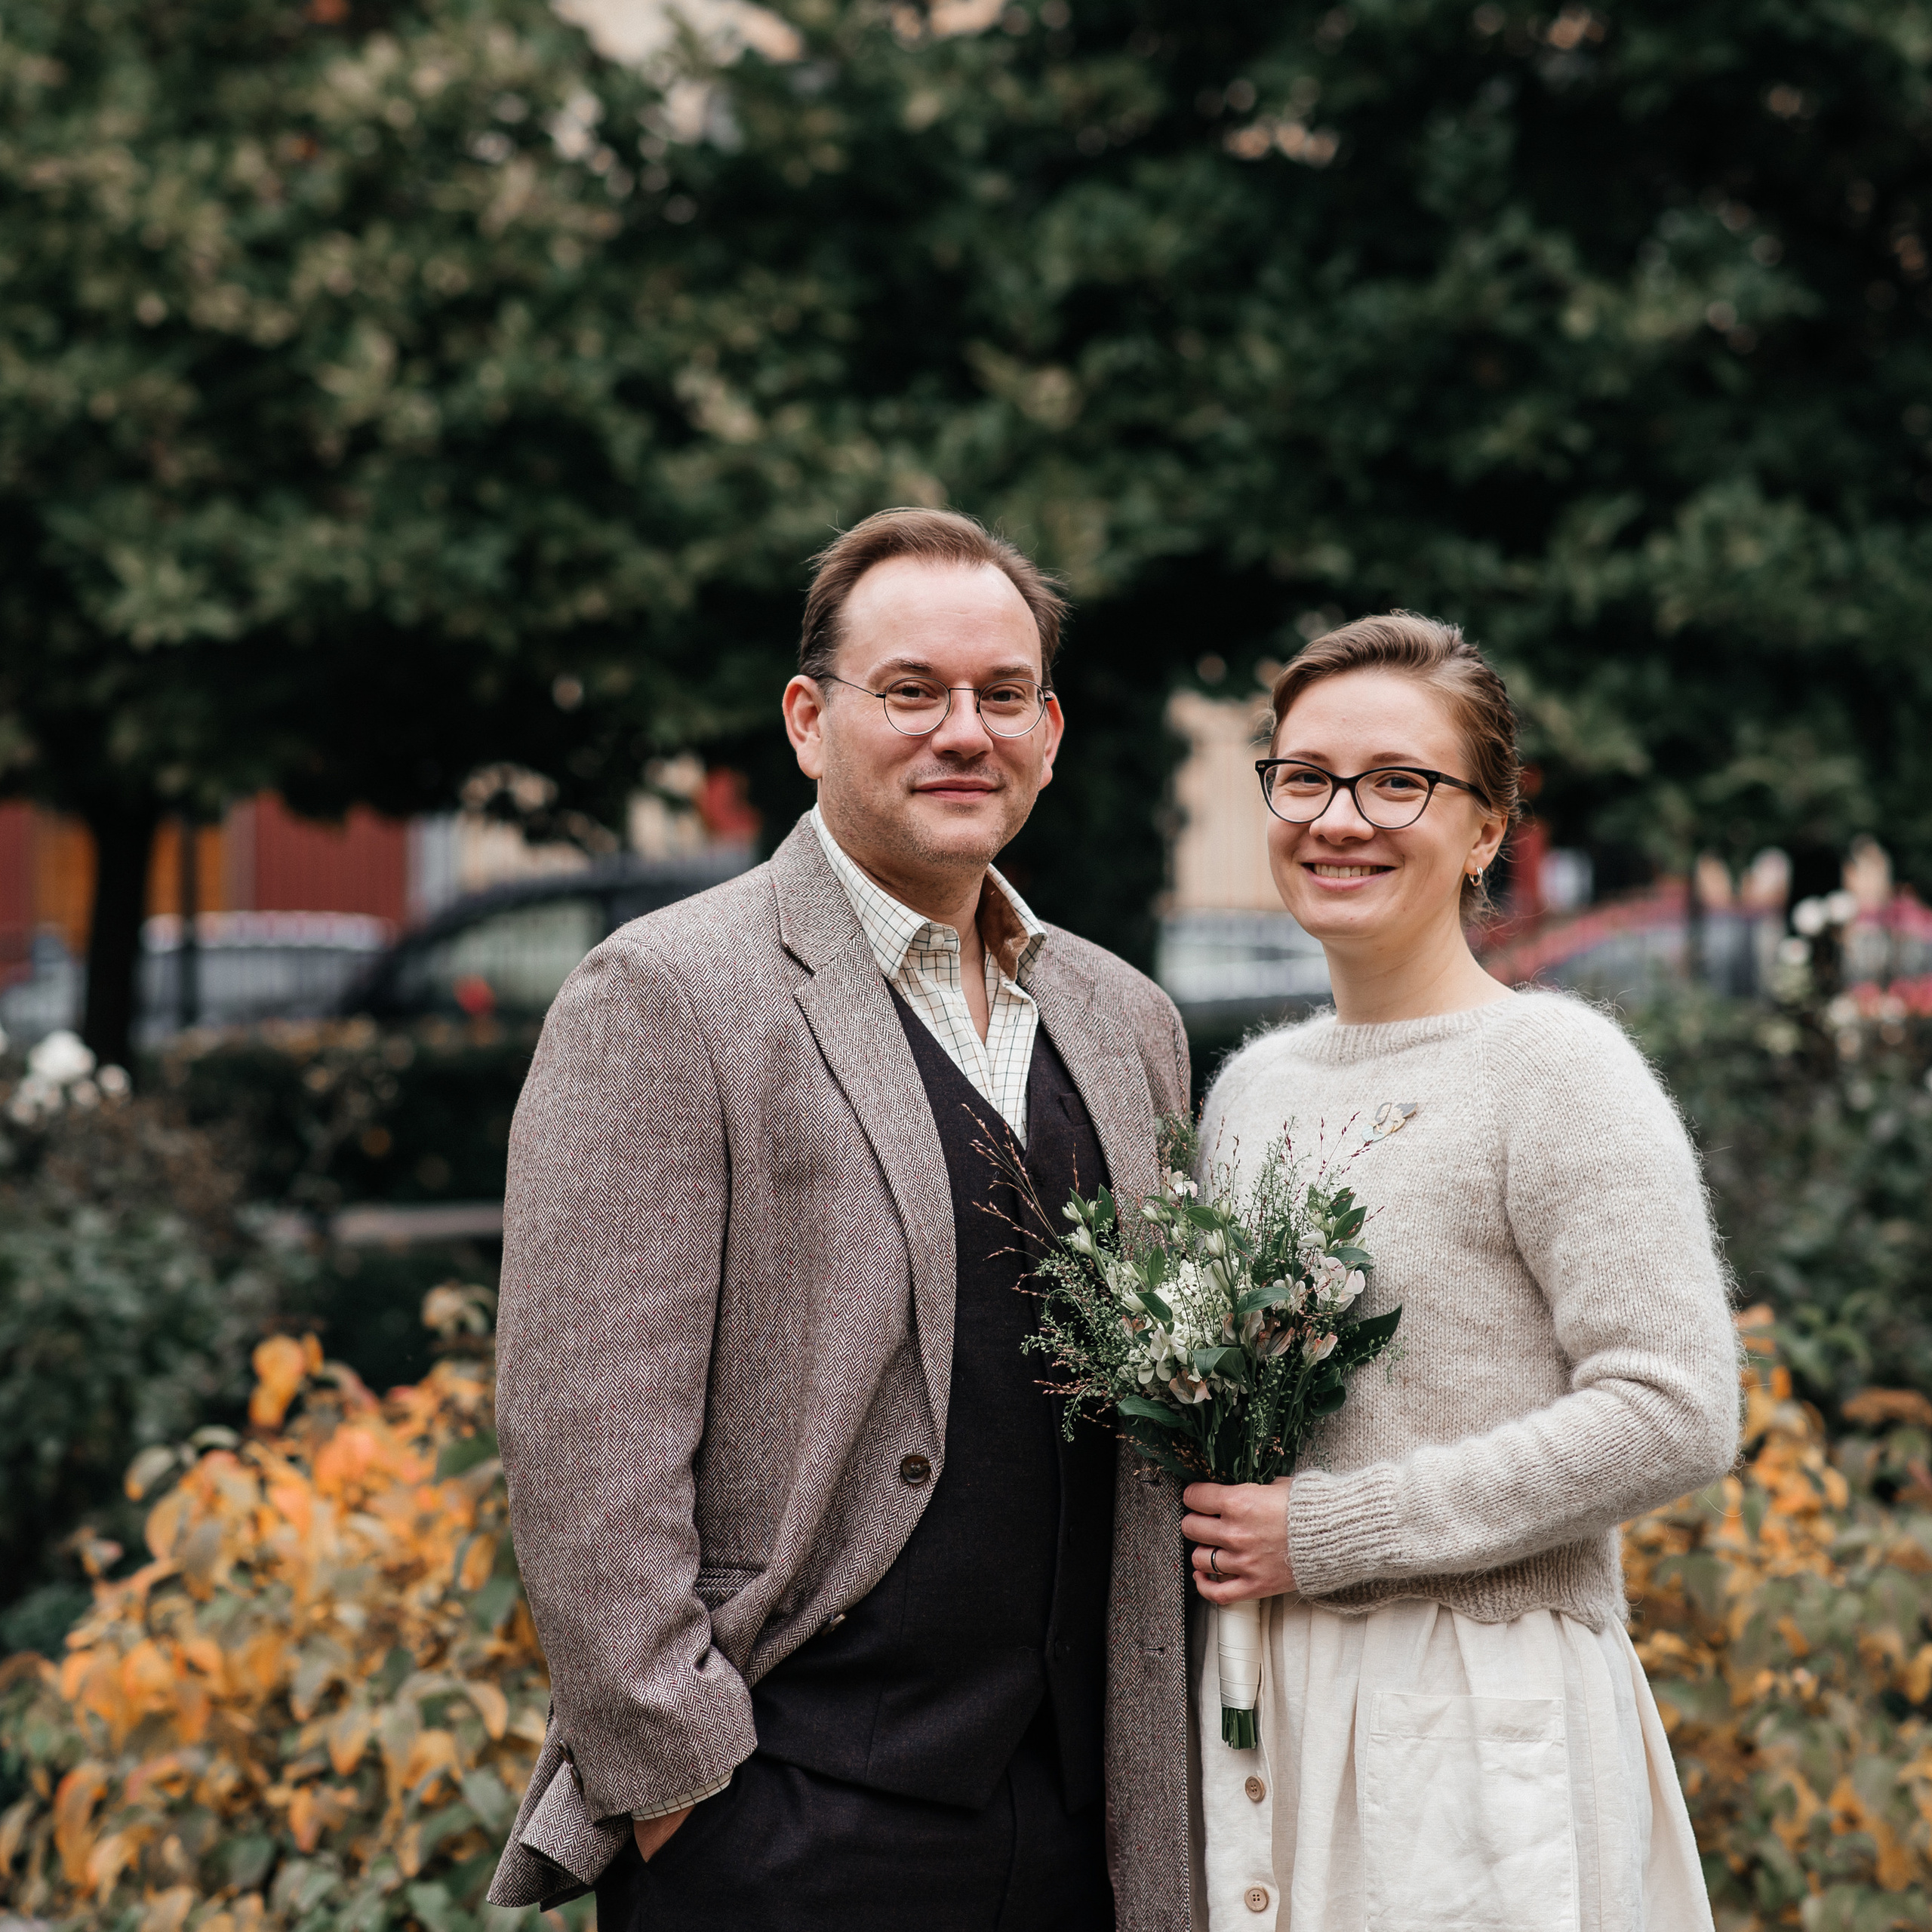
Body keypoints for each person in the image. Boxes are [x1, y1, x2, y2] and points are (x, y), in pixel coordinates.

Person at [483, 507, 1195, 1932]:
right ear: (809, 722)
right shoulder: (667, 996)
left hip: (1087, 1828)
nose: (964, 733)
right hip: (783, 1825)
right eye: (912, 691)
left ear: (1050, 733)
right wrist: (687, 1792)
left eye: (1003, 696)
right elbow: (583, 1437)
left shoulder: (1129, 1019)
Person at [1181, 612, 1739, 1930]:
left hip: (1481, 1722)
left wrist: (1332, 1532)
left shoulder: (1556, 1069)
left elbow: (1675, 1405)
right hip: (1263, 1707)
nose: (1340, 820)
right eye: (1306, 777)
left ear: (1487, 828)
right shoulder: (1251, 1089)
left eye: (1398, 783)